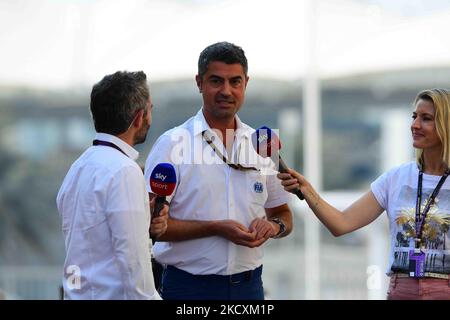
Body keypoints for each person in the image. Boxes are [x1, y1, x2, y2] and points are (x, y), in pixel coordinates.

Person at [144, 41, 294, 300]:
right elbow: (152, 226)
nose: (226, 90)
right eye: (216, 81)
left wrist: (273, 226)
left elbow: (283, 214)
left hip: (250, 287)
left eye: (235, 81)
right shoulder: (172, 143)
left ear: (246, 83)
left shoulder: (261, 143)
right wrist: (216, 227)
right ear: (199, 83)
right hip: (187, 288)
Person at [278, 88, 450, 300]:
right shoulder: (396, 178)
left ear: (445, 125)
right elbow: (342, 223)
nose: (415, 125)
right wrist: (307, 190)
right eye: (414, 116)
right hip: (401, 290)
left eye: (426, 119)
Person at [56, 71, 167, 300]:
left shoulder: (79, 166)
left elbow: (93, 236)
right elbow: (133, 260)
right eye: (150, 110)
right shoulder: (125, 171)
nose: (149, 118)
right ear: (138, 118)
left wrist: (142, 213)